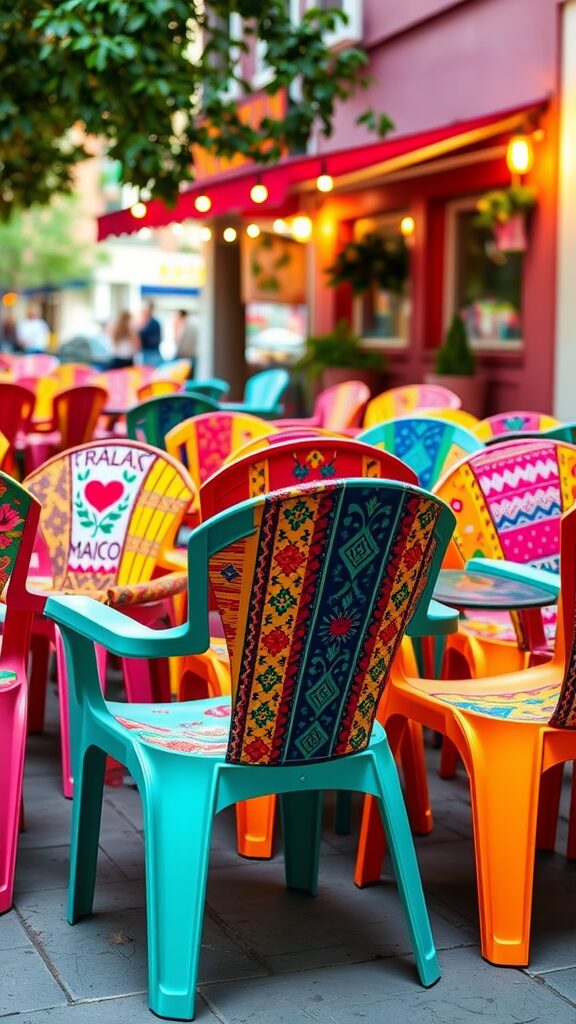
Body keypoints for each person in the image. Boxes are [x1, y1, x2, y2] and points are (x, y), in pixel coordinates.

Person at [138, 301, 162, 366]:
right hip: (146, 352)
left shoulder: (154, 323)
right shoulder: (142, 323)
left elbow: (156, 339)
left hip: (152, 352)